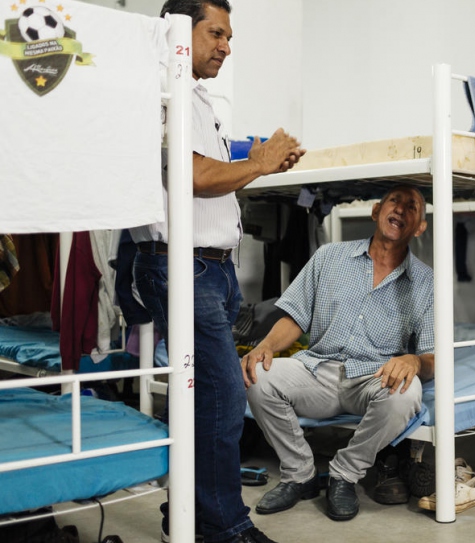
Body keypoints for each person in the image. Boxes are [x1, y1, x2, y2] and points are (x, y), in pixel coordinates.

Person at [130, 2, 306, 542]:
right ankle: (224, 528)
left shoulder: (196, 98)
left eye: (230, 36)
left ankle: (186, 516)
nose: (227, 46)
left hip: (211, 271)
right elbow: (191, 175)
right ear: (177, 29)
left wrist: (261, 161)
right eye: (217, 33)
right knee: (224, 400)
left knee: (205, 402)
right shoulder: (160, 91)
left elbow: (209, 175)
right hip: (182, 266)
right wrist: (258, 161)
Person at [243, 184, 435, 522]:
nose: (401, 210)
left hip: (373, 377)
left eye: (412, 207)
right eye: (395, 201)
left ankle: (344, 475)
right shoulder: (329, 257)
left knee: (407, 395)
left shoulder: (426, 282)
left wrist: (414, 360)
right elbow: (294, 317)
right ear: (377, 211)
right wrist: (265, 346)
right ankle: (299, 474)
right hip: (318, 370)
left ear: (420, 226)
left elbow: (434, 358)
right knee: (257, 375)